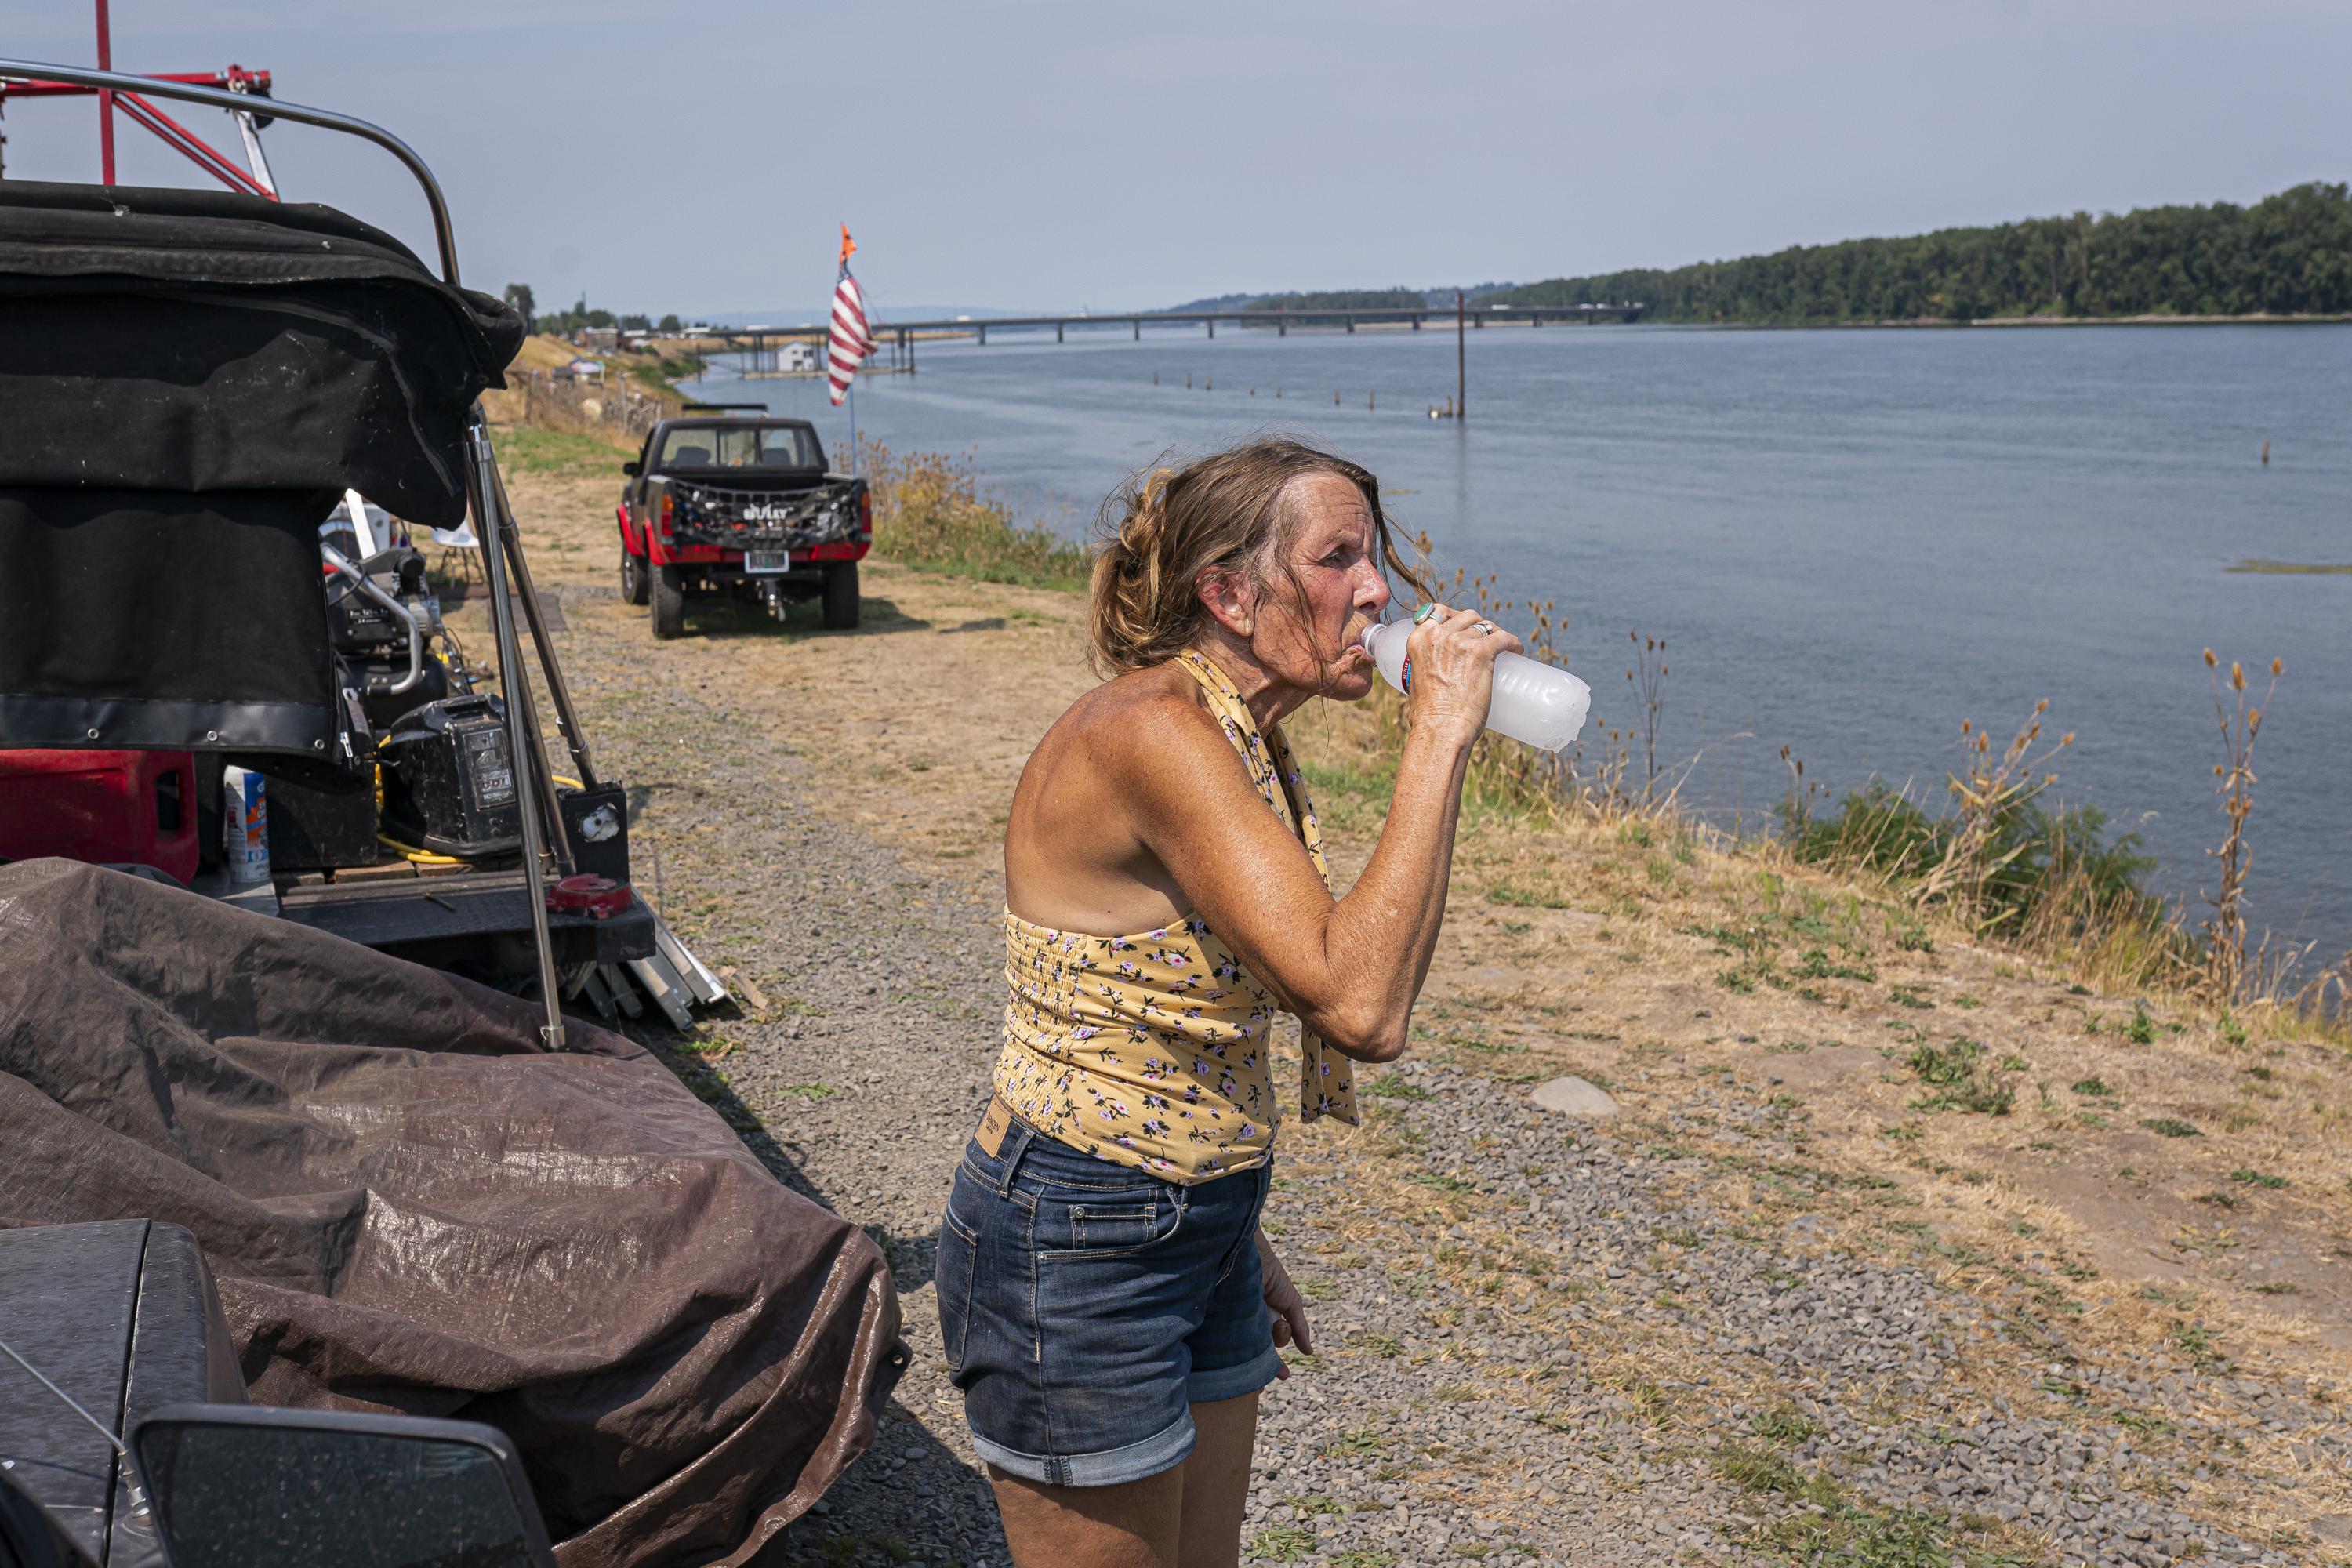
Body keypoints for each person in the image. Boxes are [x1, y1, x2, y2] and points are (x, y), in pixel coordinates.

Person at [935, 437, 1522, 1568]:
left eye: (1376, 558)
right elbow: (1361, 1010)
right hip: (1081, 1232)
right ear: (1230, 596)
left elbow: (1256, 1003)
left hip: (1195, 1219)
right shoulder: (1154, 733)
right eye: (1338, 558)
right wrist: (1441, 733)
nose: (1378, 592)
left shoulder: (1242, 733)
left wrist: (1229, 1234)